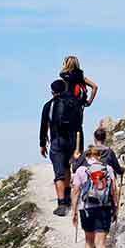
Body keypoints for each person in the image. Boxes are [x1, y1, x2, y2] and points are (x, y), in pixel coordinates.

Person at [71, 147, 119, 248]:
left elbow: (75, 191)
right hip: (104, 207)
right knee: (101, 242)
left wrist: (74, 211)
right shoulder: (108, 169)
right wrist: (115, 207)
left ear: (87, 157)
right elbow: (114, 190)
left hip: (86, 209)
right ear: (99, 156)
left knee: (89, 241)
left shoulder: (81, 170)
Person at [39, 79, 84, 216]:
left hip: (57, 141)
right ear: (65, 89)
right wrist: (79, 146)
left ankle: (62, 204)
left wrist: (42, 144)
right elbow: (79, 125)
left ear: (52, 91)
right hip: (71, 141)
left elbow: (44, 126)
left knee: (59, 172)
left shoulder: (48, 105)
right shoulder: (74, 103)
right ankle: (68, 197)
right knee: (67, 168)